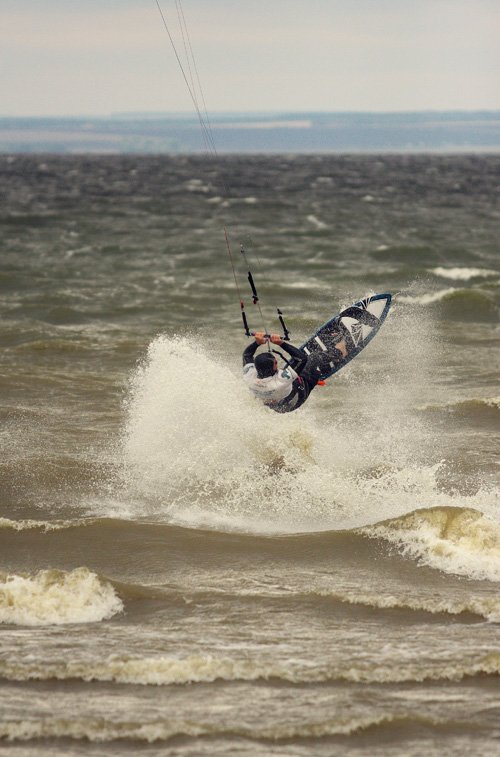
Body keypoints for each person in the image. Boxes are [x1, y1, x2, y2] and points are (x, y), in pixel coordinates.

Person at [242, 306, 379, 413]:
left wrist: (257, 342)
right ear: (272, 368)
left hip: (277, 406)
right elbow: (302, 359)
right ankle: (341, 349)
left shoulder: (250, 377)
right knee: (311, 358)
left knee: (293, 366)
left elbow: (247, 355)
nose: (277, 363)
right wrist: (280, 343)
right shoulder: (279, 381)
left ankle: (311, 374)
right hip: (295, 399)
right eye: (275, 363)